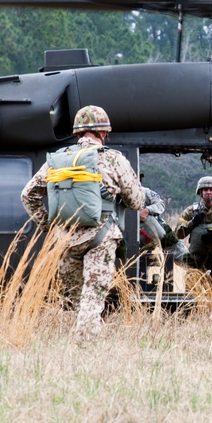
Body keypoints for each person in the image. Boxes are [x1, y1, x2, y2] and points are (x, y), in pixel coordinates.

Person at [21, 105, 145, 339]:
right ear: (103, 133)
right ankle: (85, 346)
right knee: (92, 299)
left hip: (64, 240)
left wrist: (49, 225)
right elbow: (137, 201)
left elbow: (28, 196)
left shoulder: (57, 160)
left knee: (78, 301)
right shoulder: (113, 158)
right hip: (100, 237)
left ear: (77, 133)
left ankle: (81, 347)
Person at [175, 175, 212, 291]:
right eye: (205, 190)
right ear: (200, 192)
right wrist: (193, 222)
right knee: (191, 297)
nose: (208, 192)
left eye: (211, 190)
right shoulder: (190, 211)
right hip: (196, 260)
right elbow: (178, 234)